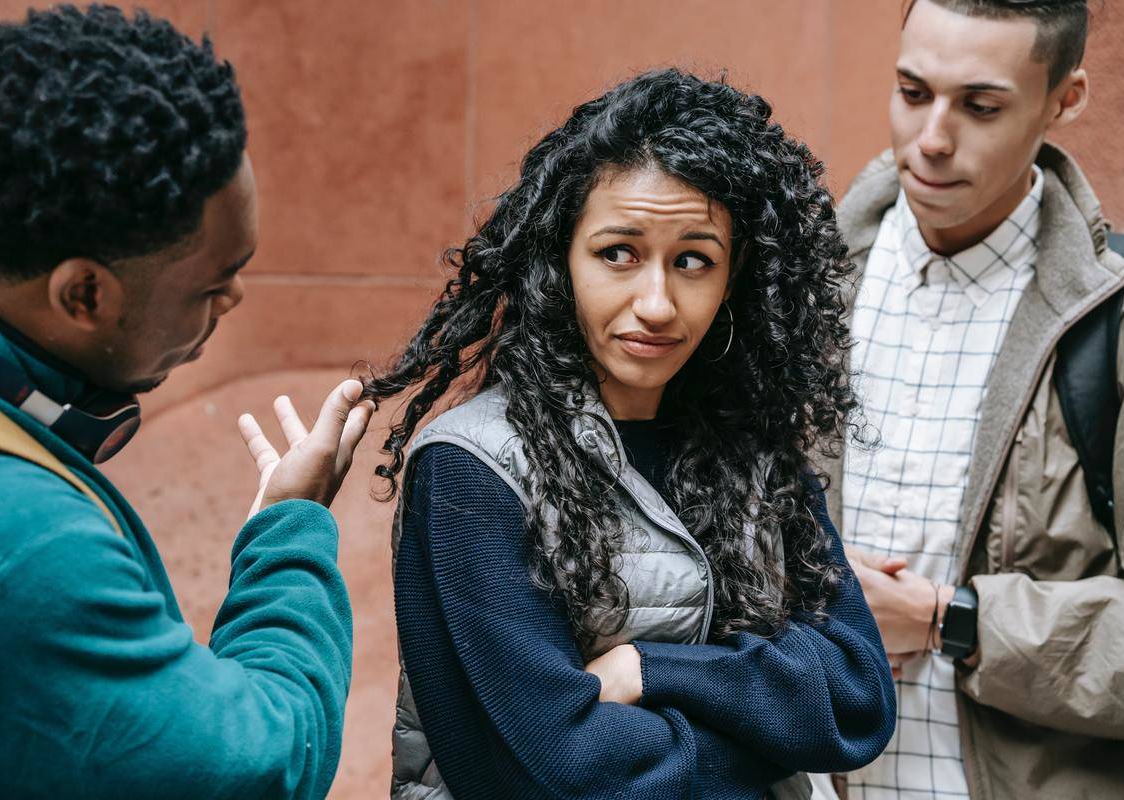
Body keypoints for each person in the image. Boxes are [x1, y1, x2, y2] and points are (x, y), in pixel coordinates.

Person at [365, 69, 896, 800]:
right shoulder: (474, 467)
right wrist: (767, 745)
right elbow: (560, 769)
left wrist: (652, 670)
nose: (656, 303)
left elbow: (859, 699)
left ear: (734, 277)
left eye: (693, 261)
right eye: (619, 252)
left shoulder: (756, 455)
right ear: (560, 261)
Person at [0, 6, 372, 798]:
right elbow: (257, 765)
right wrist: (288, 534)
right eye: (213, 284)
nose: (237, 297)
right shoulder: (24, 551)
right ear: (84, 293)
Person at [817, 1, 1124, 798]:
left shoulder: (1117, 319)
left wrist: (950, 620)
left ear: (1065, 98)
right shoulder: (795, 288)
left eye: (980, 106)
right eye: (912, 91)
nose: (931, 138)